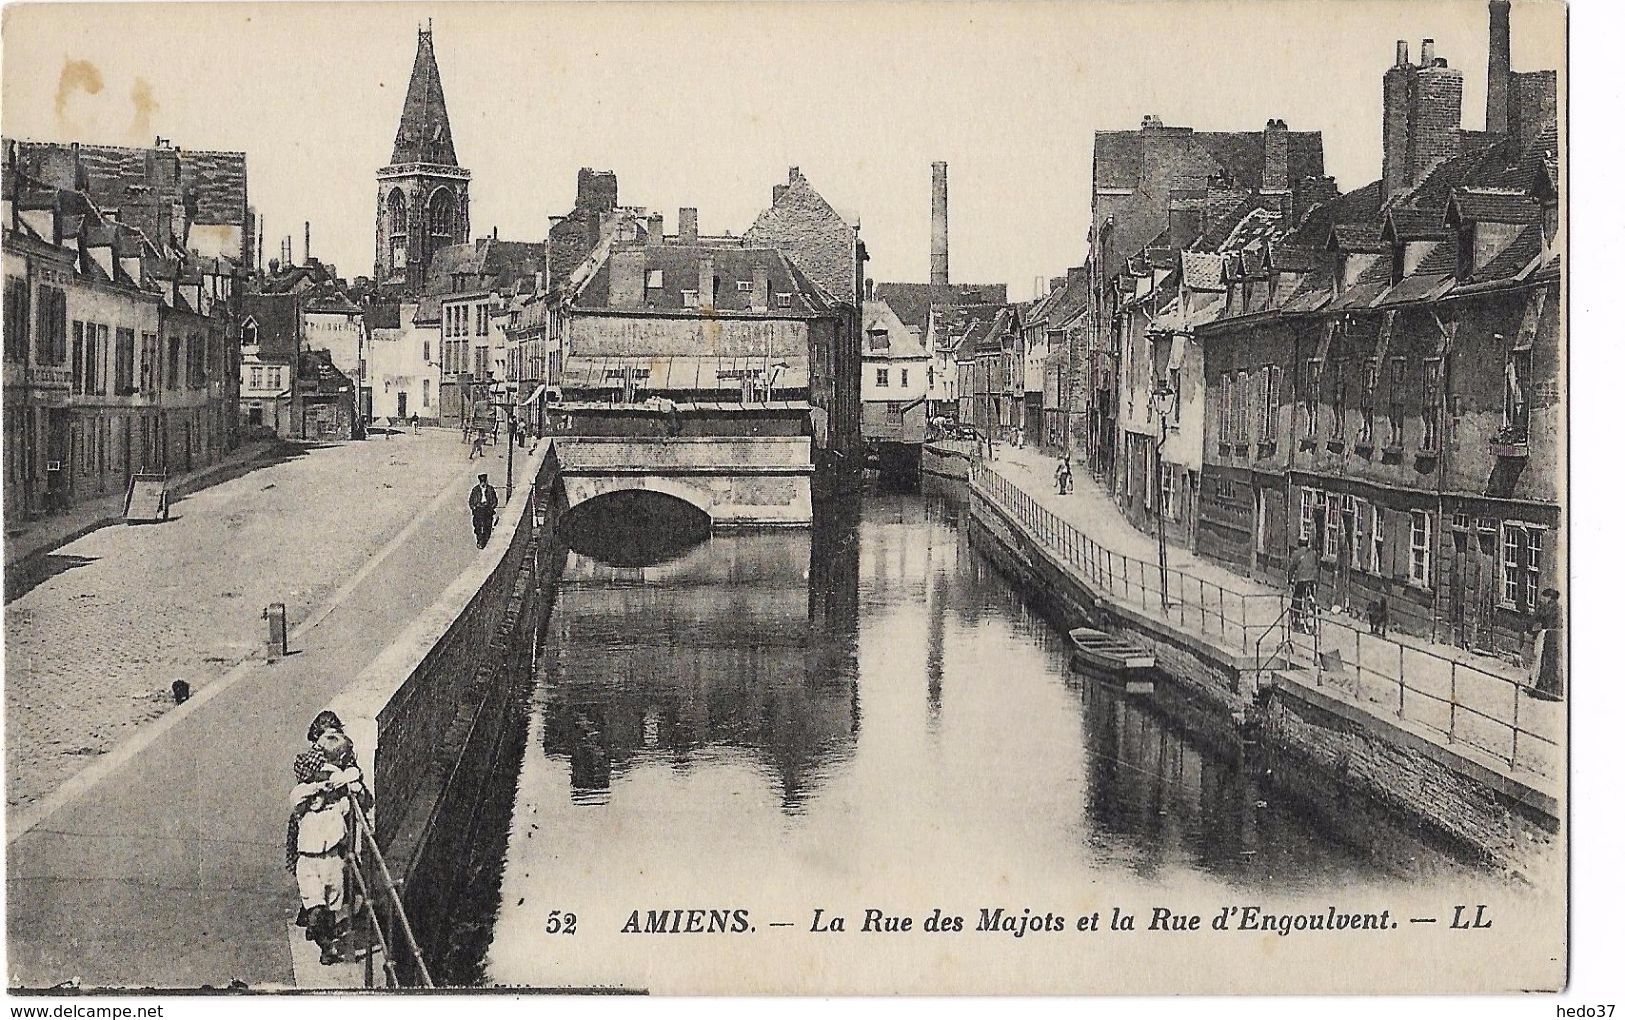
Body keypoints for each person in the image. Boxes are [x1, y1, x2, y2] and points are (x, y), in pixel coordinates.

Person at [287, 713, 371, 966]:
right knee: (317, 909)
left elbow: (357, 791)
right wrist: (316, 788)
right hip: (309, 859)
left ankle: (325, 933)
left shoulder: (340, 803)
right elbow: (298, 797)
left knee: (332, 907)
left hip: (333, 858)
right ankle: (323, 938)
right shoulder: (304, 797)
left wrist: (341, 782)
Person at [1527, 588, 1564, 701]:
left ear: (1549, 597)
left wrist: (1539, 608)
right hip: (1554, 637)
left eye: (1544, 596)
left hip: (1547, 636)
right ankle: (1551, 690)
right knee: (1552, 663)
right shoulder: (1557, 607)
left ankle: (1539, 688)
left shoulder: (1549, 608)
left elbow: (1539, 617)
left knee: (1541, 660)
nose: (1542, 598)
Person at [1286, 538, 1321, 633]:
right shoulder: (1313, 553)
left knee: (1297, 597)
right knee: (1311, 596)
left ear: (1299, 543)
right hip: (1312, 579)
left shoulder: (1296, 554)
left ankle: (1297, 621)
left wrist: (1290, 580)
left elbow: (1292, 567)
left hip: (1301, 580)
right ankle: (1314, 611)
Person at [469, 472, 499, 548]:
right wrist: (474, 507)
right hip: (478, 509)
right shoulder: (475, 490)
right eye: (481, 482)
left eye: (484, 482)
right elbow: (471, 501)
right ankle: (479, 539)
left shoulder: (490, 489)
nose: (483, 484)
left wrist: (491, 507)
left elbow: (495, 500)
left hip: (487, 509)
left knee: (487, 525)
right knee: (477, 525)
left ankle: (486, 539)